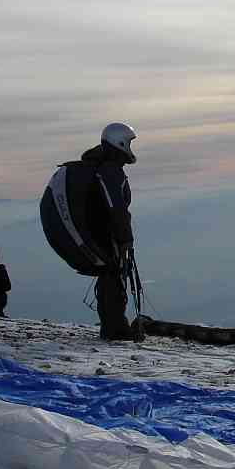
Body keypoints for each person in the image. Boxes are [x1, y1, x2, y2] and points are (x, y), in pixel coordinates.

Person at [82, 123, 138, 340]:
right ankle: (114, 328)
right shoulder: (110, 171)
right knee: (113, 277)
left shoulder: (103, 168)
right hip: (108, 235)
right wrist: (125, 238)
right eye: (128, 142)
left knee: (110, 276)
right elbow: (116, 208)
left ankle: (113, 325)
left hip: (101, 233)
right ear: (119, 142)